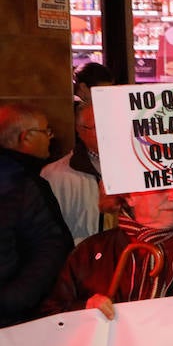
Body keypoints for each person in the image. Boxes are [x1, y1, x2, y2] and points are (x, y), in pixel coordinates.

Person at [40, 187, 173, 318]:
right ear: (129, 196)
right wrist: (84, 310)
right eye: (161, 188)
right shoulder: (91, 252)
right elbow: (49, 318)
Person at [0, 102, 73, 326]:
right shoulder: (24, 184)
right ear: (26, 137)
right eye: (46, 131)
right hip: (13, 319)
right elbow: (52, 248)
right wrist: (13, 301)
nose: (51, 137)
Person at [42, 102, 117, 243]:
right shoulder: (55, 175)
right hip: (82, 257)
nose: (108, 132)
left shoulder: (137, 167)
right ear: (80, 131)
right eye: (98, 127)